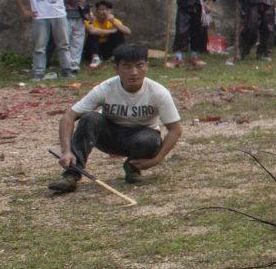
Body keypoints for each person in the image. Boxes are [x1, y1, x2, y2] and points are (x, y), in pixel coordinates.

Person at [48, 44, 183, 194]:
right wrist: (66, 151)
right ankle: (71, 174)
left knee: (150, 139)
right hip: (108, 135)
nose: (134, 72)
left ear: (147, 67)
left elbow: (175, 129)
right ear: (116, 69)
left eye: (139, 66)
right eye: (126, 66)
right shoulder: (106, 88)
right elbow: (68, 117)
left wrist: (156, 160)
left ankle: (132, 169)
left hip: (141, 139)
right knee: (89, 118)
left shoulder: (159, 93)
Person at [14, 0, 70, 82]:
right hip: (40, 17)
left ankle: (67, 70)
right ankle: (38, 72)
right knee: (40, 46)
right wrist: (25, 10)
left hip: (59, 14)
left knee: (63, 44)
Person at [57, 0, 90, 79]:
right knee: (65, 41)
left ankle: (75, 65)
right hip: (63, 13)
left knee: (78, 41)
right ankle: (66, 65)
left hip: (80, 13)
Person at [81, 0, 130, 68]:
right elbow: (91, 31)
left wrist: (113, 21)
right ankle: (95, 59)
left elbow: (128, 32)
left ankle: (120, 57)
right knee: (94, 34)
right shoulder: (91, 19)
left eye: (107, 10)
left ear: (111, 11)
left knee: (118, 32)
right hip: (92, 49)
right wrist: (111, 31)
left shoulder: (113, 20)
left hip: (106, 49)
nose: (104, 12)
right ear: (96, 11)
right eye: (101, 9)